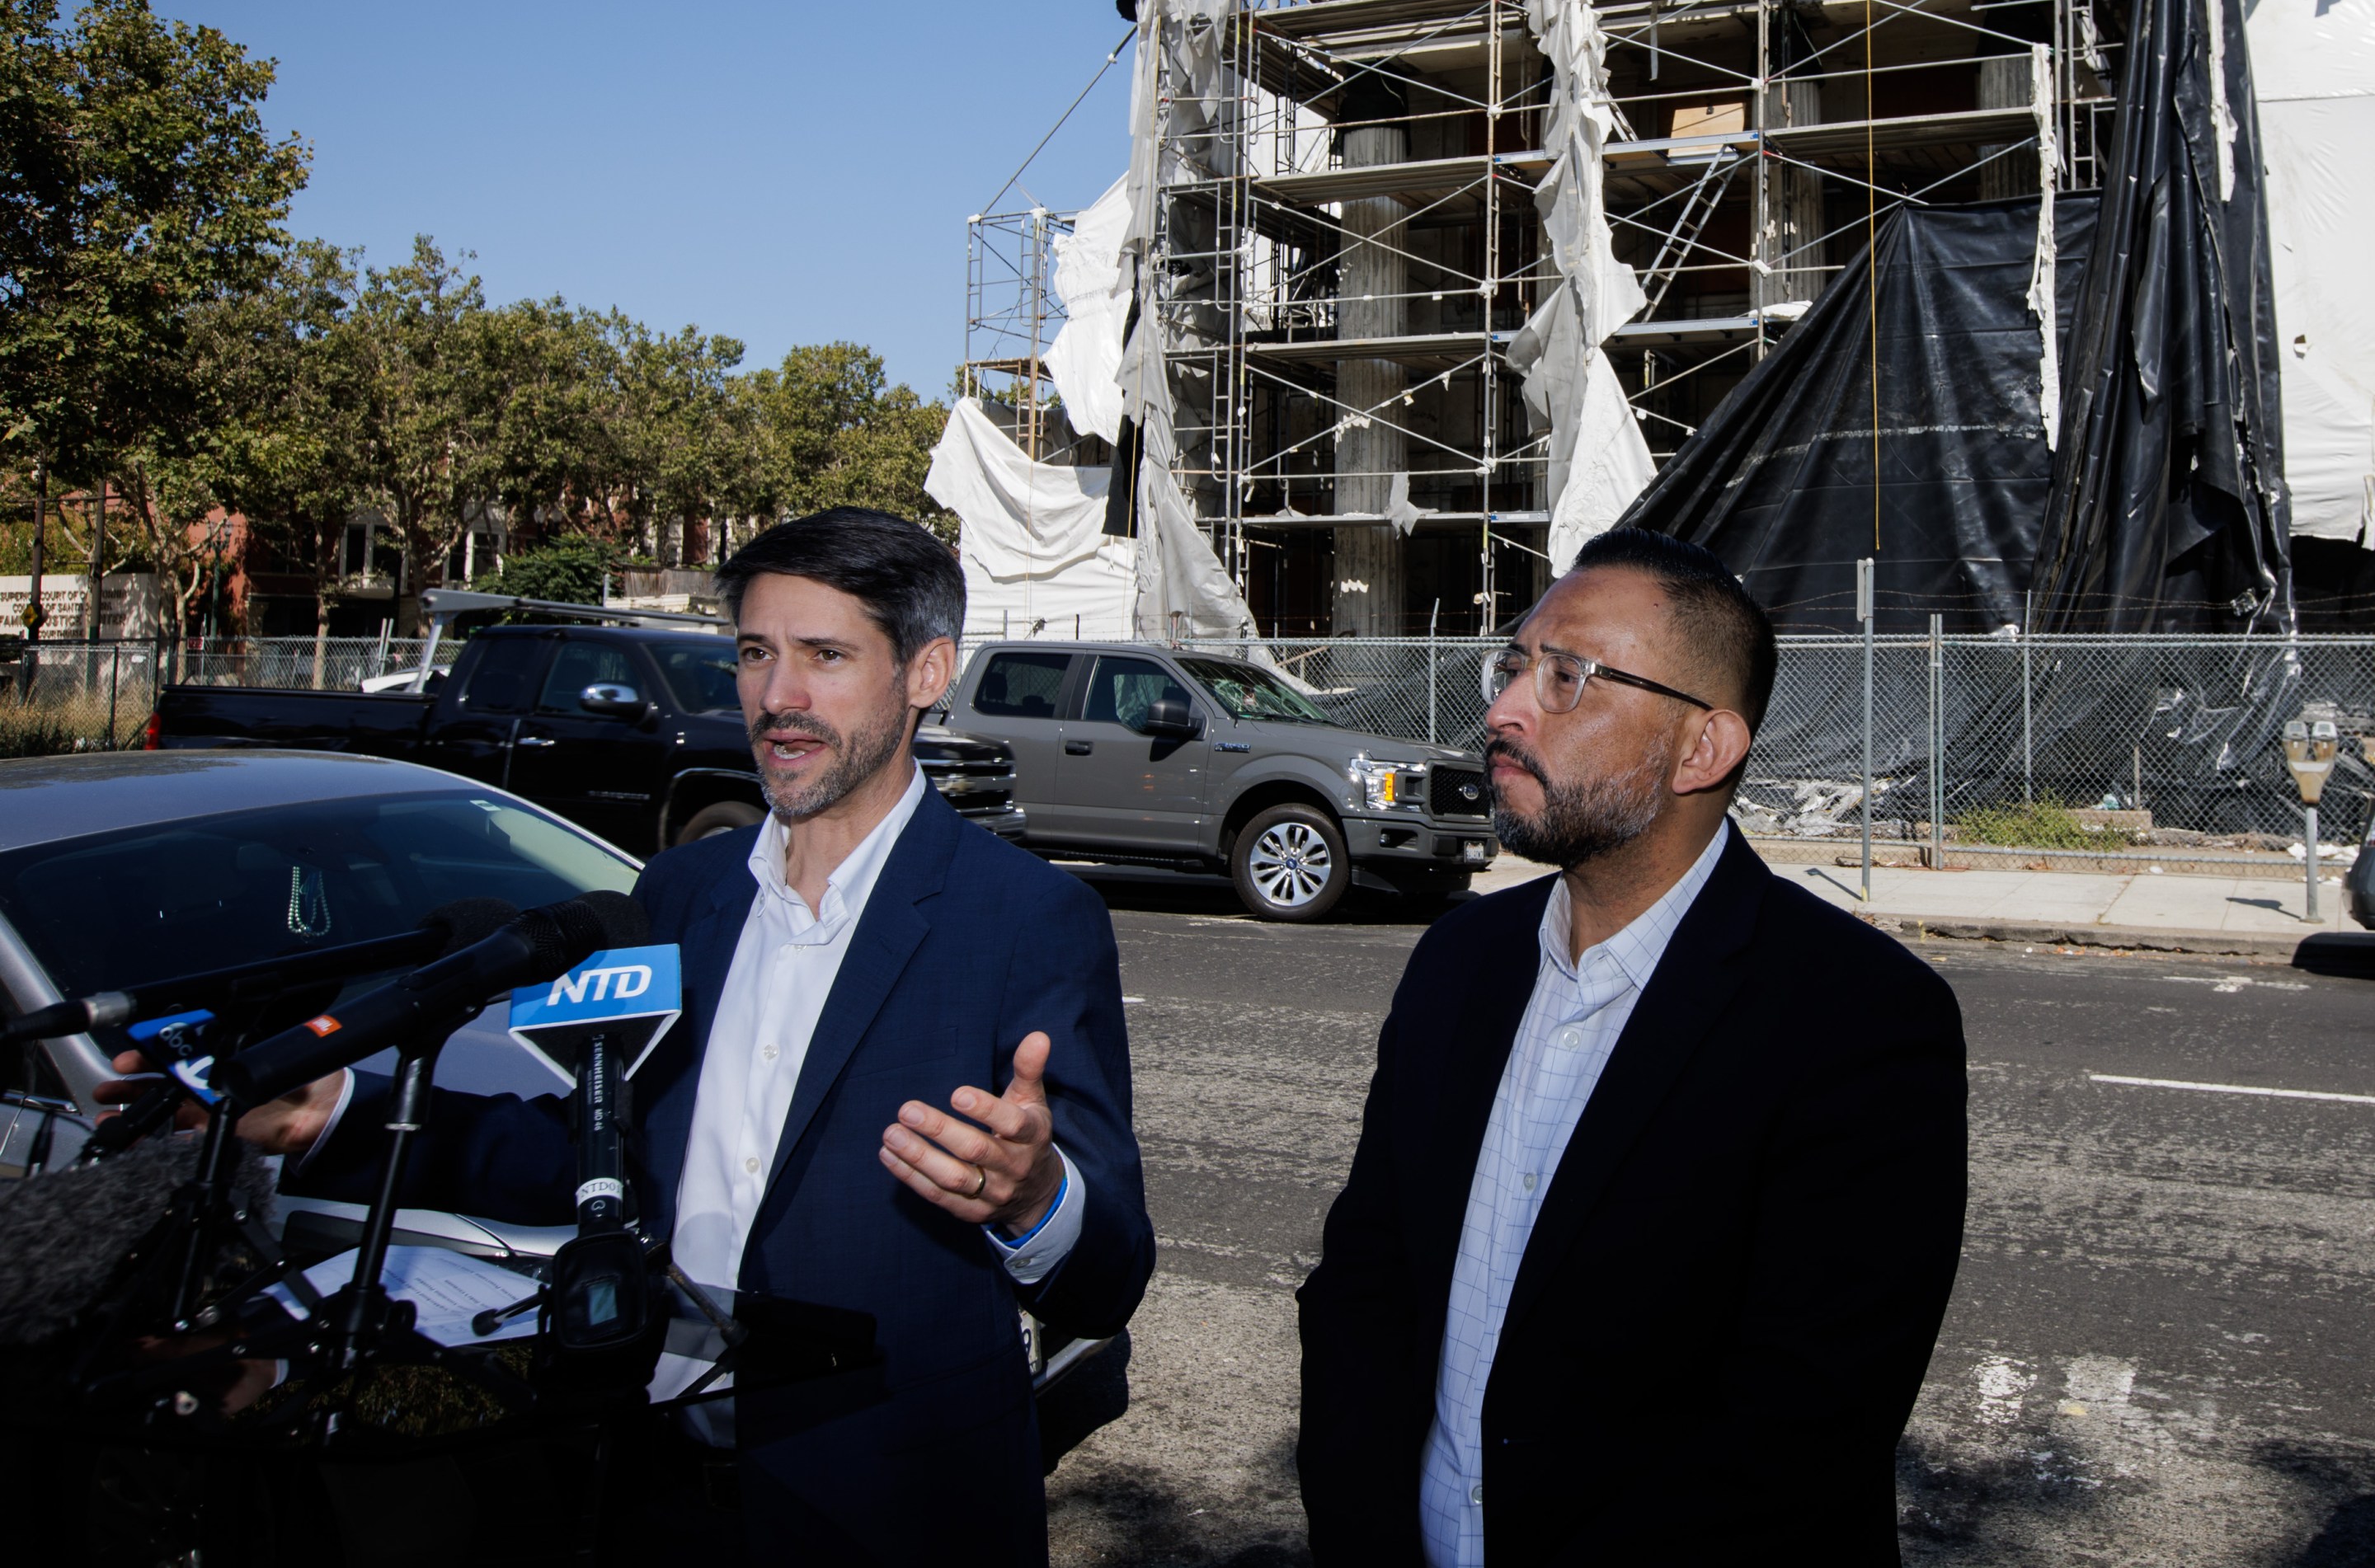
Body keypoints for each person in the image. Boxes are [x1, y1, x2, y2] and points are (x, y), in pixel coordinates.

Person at [142, 507, 1151, 1563]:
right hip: (650, 1492)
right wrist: (329, 1110)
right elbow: (590, 1156)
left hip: (896, 1505)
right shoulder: (675, 895)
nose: (779, 697)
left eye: (826, 656)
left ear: (926, 671)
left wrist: (1037, 1201)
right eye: (756, 654)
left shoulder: (1028, 917)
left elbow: (1110, 1273)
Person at [1297, 528, 1968, 1566]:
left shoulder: (1860, 1023)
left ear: (1703, 748)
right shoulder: (1458, 961)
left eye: (1568, 677)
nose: (1506, 708)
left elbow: (1799, 1436)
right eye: (1516, 664)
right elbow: (1362, 1291)